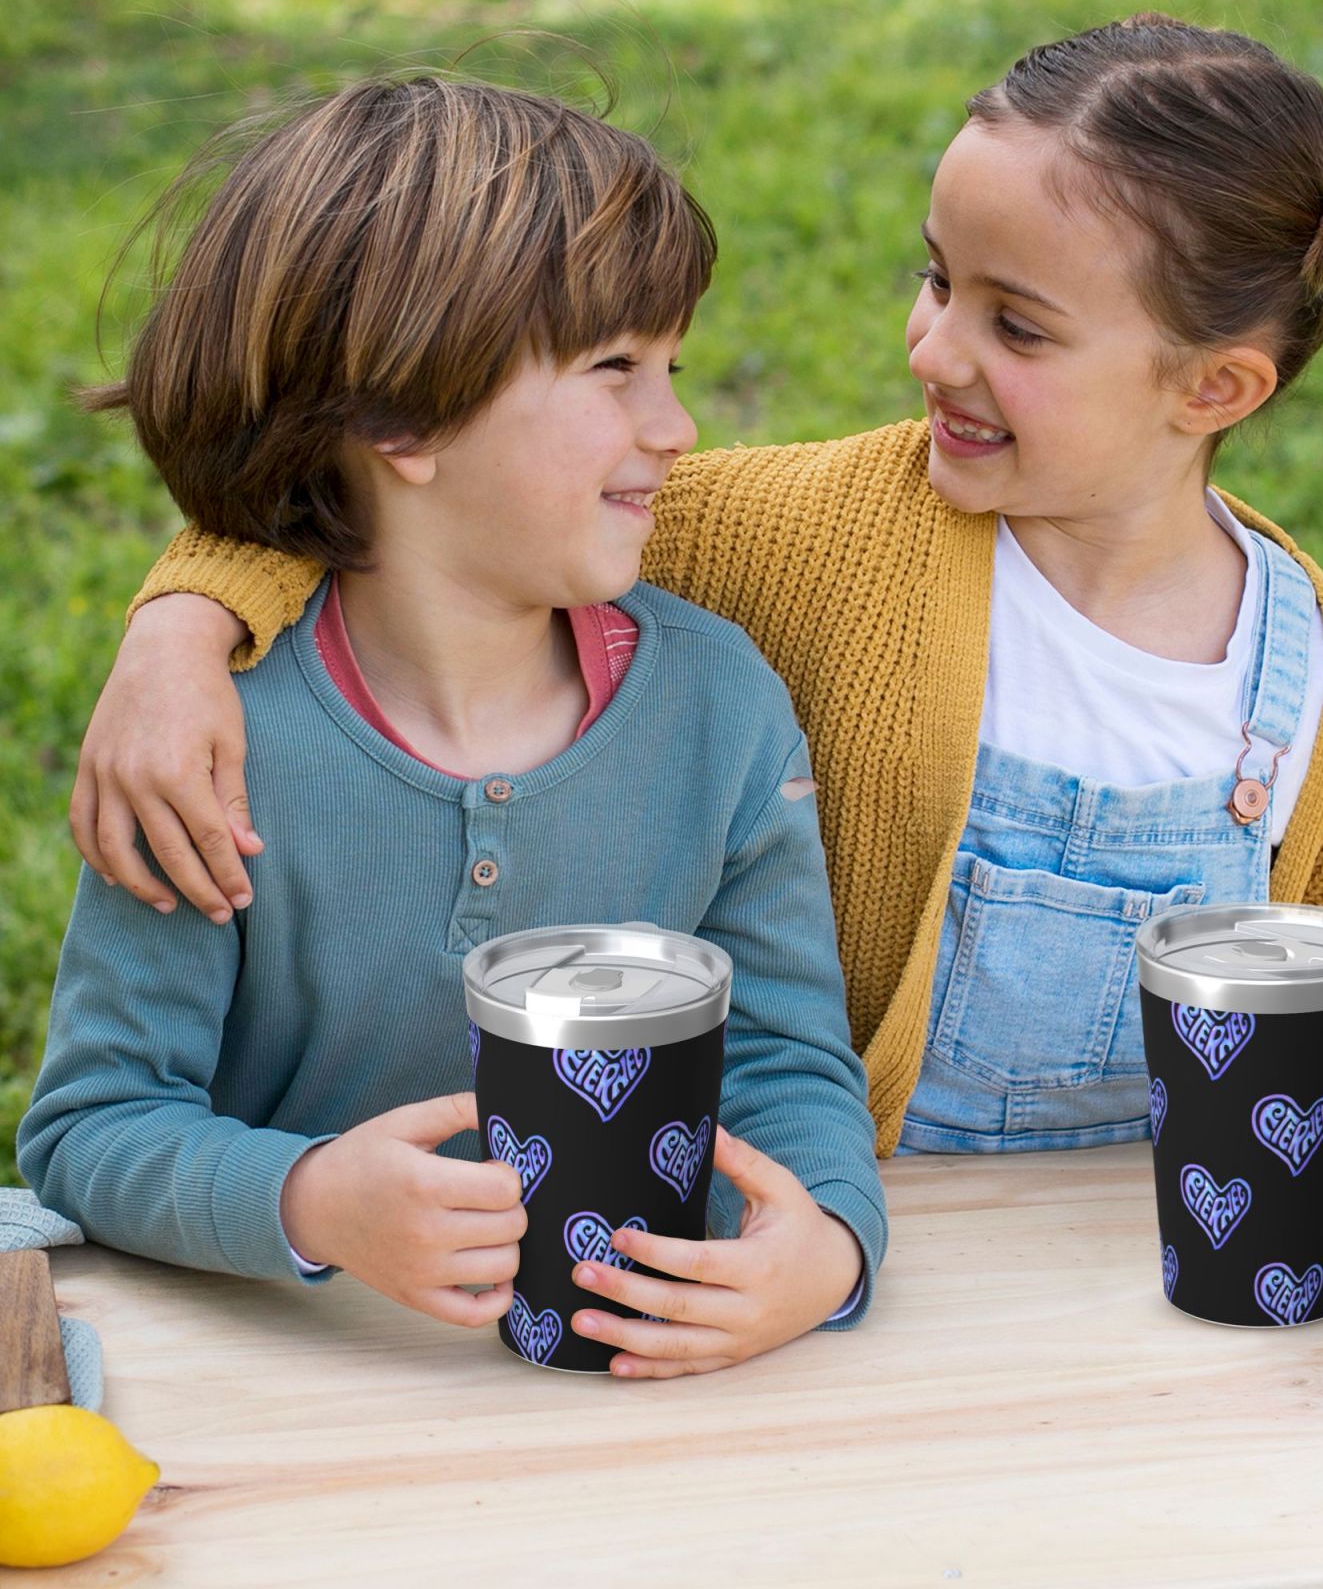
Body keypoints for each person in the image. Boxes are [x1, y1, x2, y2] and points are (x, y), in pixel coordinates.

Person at [68, 14, 1323, 1178]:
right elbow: (419, 495)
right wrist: (185, 624)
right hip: (845, 1240)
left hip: (1157, 1274)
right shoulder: (808, 536)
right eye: (937, 279)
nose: (933, 347)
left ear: (1216, 386)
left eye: (1018, 324)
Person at [20, 75, 887, 1380]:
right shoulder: (207, 746)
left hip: (634, 1400)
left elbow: (779, 1061)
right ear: (398, 418)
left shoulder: (723, 709)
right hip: (302, 1392)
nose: (677, 427)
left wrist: (824, 1241)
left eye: (673, 368)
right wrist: (312, 1200)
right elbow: (94, 1127)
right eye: (614, 372)